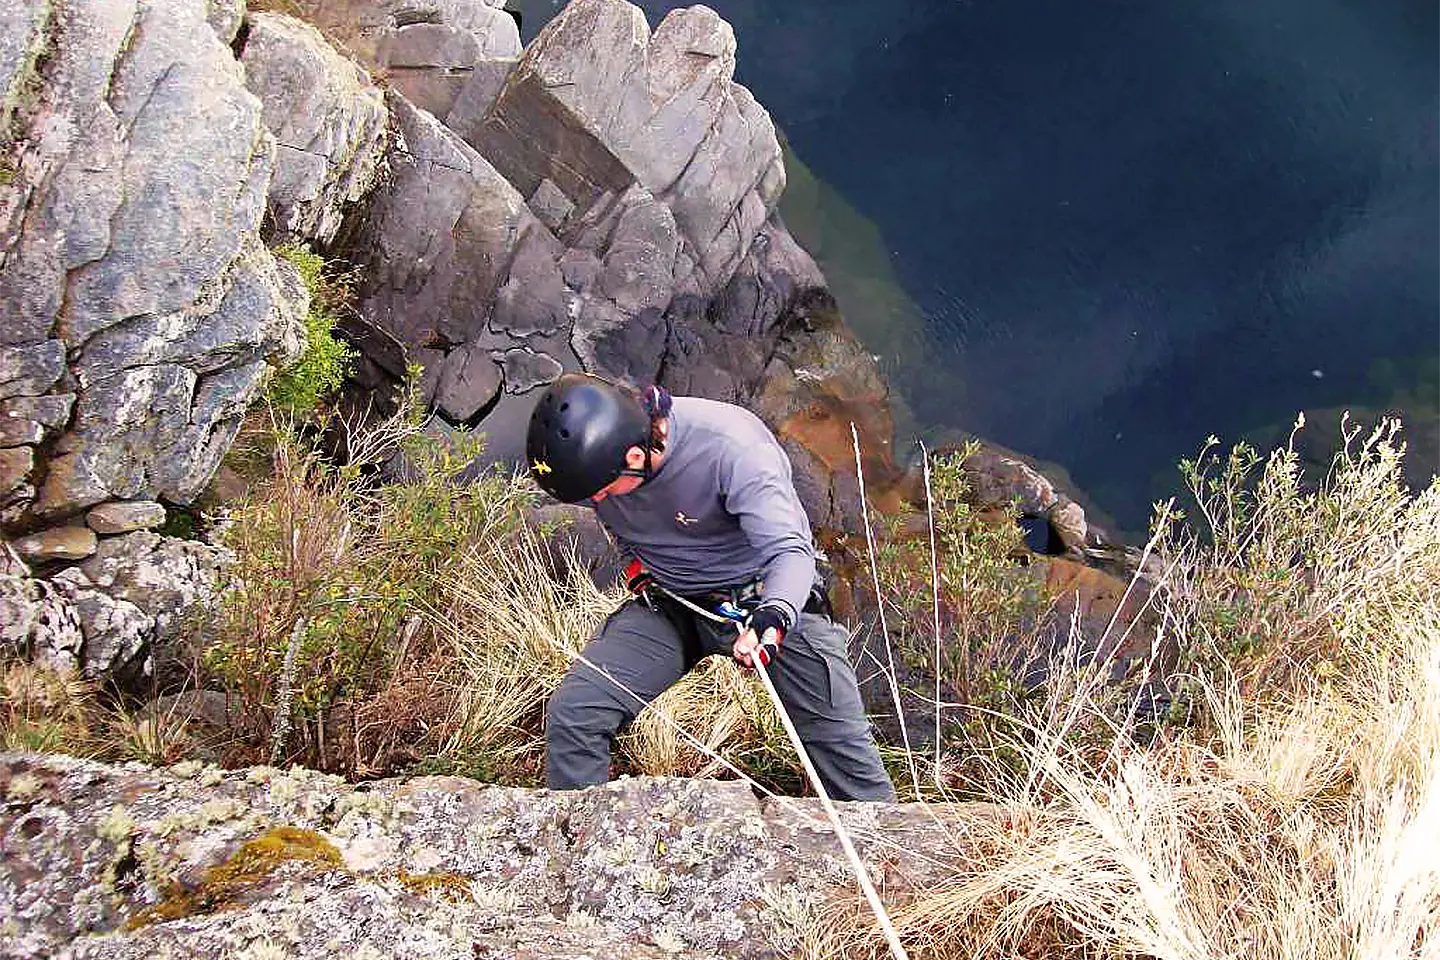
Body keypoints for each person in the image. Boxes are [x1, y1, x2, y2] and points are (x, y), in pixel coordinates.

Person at [527, 372, 896, 801]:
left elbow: (791, 554)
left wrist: (774, 617)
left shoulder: (732, 448)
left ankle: (883, 857)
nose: (598, 502)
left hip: (764, 597)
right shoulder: (606, 474)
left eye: (604, 490)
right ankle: (582, 837)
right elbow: (628, 531)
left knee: (845, 760)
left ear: (635, 454)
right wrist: (636, 568)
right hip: (673, 601)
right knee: (575, 715)